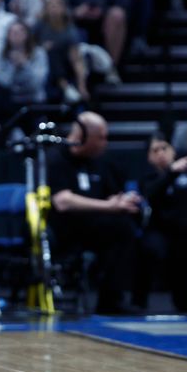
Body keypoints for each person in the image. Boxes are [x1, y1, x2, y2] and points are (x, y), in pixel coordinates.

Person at [47, 111, 141, 314]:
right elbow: (63, 201)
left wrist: (122, 201)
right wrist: (109, 206)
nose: (105, 143)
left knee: (124, 227)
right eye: (101, 137)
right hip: (63, 229)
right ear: (82, 137)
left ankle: (112, 300)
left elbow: (110, 196)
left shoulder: (99, 161)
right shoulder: (56, 158)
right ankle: (110, 299)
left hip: (94, 227)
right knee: (117, 227)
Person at [136, 133, 187, 311]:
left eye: (164, 148)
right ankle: (139, 303)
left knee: (184, 255)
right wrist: (170, 173)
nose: (161, 153)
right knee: (149, 249)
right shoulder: (148, 179)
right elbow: (150, 195)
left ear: (173, 150)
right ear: (149, 156)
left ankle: (186, 305)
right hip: (159, 231)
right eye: (155, 150)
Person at [0, 20, 49, 105]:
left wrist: (24, 65)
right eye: (13, 32)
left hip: (34, 100)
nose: (16, 35)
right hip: (8, 100)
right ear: (7, 36)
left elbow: (37, 84)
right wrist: (14, 68)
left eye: (20, 32)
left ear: (27, 35)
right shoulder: (0, 55)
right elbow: (2, 84)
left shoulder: (39, 53)